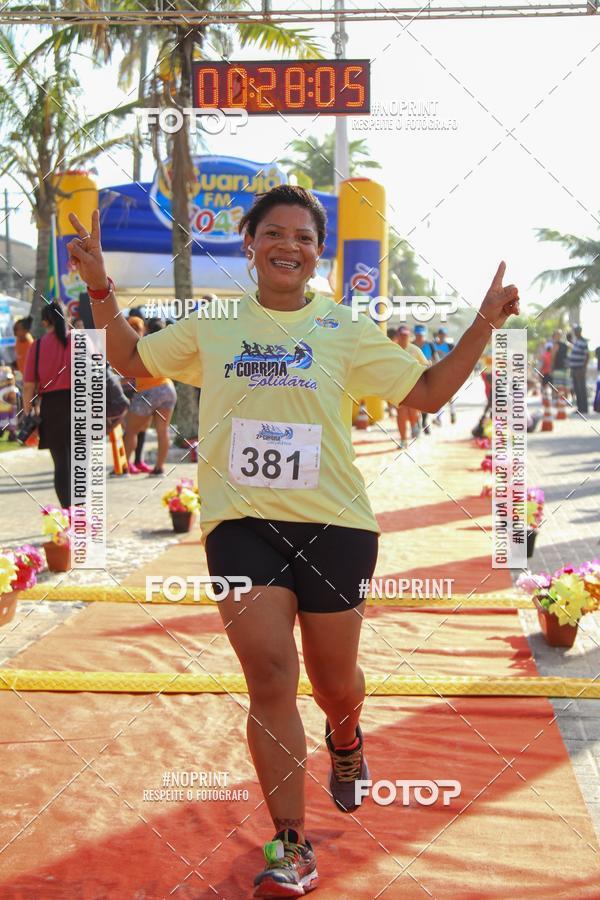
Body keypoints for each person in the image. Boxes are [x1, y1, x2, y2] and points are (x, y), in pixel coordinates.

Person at [66, 187, 519, 899]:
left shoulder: (344, 326)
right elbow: (133, 360)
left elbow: (427, 394)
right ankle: (292, 846)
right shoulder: (213, 324)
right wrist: (98, 285)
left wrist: (483, 325)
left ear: (318, 252)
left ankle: (346, 736)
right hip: (241, 526)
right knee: (272, 679)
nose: (289, 245)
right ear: (248, 246)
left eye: (304, 236)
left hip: (337, 525)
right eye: (273, 233)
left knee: (336, 683)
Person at [22, 300, 72, 507]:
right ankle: (82, 512)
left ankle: (68, 512)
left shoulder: (38, 346)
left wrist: (28, 414)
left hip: (52, 408)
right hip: (80, 403)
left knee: (61, 463)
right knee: (81, 462)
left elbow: (28, 386)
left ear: (45, 322)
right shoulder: (81, 341)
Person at [121, 316, 177, 476]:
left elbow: (131, 371)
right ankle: (159, 468)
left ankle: (124, 468)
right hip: (167, 388)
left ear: (146, 328)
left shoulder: (142, 344)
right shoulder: (167, 346)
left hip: (147, 391)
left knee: (131, 431)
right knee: (163, 430)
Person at [122, 315, 152, 474]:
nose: (136, 332)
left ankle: (137, 461)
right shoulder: (124, 347)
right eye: (133, 329)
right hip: (128, 393)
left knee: (142, 429)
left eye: (138, 329)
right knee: (130, 429)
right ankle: (125, 463)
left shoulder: (145, 345)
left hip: (142, 391)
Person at [393, 325, 428, 447]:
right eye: (402, 335)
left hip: (414, 387)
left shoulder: (415, 350)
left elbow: (425, 366)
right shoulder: (392, 349)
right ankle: (403, 440)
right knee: (401, 412)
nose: (404, 338)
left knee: (412, 412)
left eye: (406, 335)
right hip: (398, 387)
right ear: (397, 336)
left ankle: (414, 423)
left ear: (409, 336)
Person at [412, 324, 437, 433]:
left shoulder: (430, 345)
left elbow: (436, 359)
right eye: (417, 335)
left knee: (426, 400)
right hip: (413, 376)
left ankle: (424, 422)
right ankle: (416, 422)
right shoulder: (410, 345)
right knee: (415, 400)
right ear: (415, 334)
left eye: (421, 335)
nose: (419, 337)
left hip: (428, 375)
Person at [434, 326, 457, 424]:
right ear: (438, 335)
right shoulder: (433, 345)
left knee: (449, 396)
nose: (442, 336)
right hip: (437, 374)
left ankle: (452, 412)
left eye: (444, 335)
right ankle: (439, 417)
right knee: (439, 396)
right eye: (441, 334)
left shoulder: (450, 346)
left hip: (448, 373)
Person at [567, 324, 589, 414]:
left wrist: (583, 368)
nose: (575, 333)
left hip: (580, 369)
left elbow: (587, 356)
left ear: (579, 332)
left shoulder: (583, 342)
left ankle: (584, 408)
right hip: (574, 369)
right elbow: (569, 340)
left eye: (576, 331)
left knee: (581, 389)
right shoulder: (576, 342)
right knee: (576, 389)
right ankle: (580, 408)